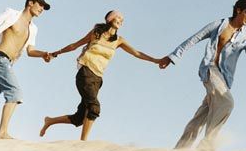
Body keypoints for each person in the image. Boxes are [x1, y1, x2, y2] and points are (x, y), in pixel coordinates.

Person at [159, 0, 246, 151]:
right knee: (227, 103)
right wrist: (173, 56)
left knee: (202, 115)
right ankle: (207, 146)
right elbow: (194, 39)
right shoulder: (219, 25)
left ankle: (180, 149)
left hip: (224, 78)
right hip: (210, 69)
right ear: (238, 10)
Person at [39, 10, 160, 141]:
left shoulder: (118, 41)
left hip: (97, 79)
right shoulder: (96, 33)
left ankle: (50, 121)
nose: (121, 19)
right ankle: (83, 142)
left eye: (122, 19)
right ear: (110, 19)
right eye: (118, 17)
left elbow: (137, 53)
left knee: (80, 117)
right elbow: (75, 45)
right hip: (85, 73)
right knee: (94, 108)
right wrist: (56, 53)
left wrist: (156, 60)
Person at [0, 0, 52, 139]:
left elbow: (30, 51)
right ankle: (2, 133)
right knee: (15, 93)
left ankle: (1, 131)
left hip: (7, 63)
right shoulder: (12, 14)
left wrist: (43, 54)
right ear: (30, 3)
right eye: (40, 5)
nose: (42, 9)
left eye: (43, 7)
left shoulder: (33, 29)